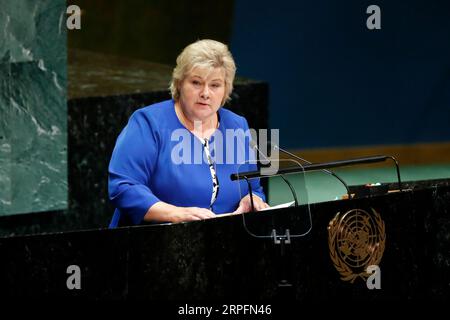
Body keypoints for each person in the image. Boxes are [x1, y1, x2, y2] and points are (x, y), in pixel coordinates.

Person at [108, 39, 268, 228]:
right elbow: (123, 188)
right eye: (196, 83)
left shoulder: (237, 126)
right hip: (154, 244)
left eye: (215, 85)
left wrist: (253, 199)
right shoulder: (148, 123)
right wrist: (176, 214)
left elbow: (254, 187)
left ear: (226, 89)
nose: (205, 93)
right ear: (179, 84)